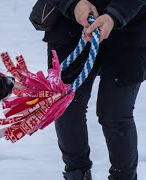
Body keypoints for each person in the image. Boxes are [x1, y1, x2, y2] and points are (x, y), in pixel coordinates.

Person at [42, 0, 146, 179]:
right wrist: (73, 4)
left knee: (115, 113)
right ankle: (76, 174)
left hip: (131, 25)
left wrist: (115, 15)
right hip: (70, 25)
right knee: (67, 107)